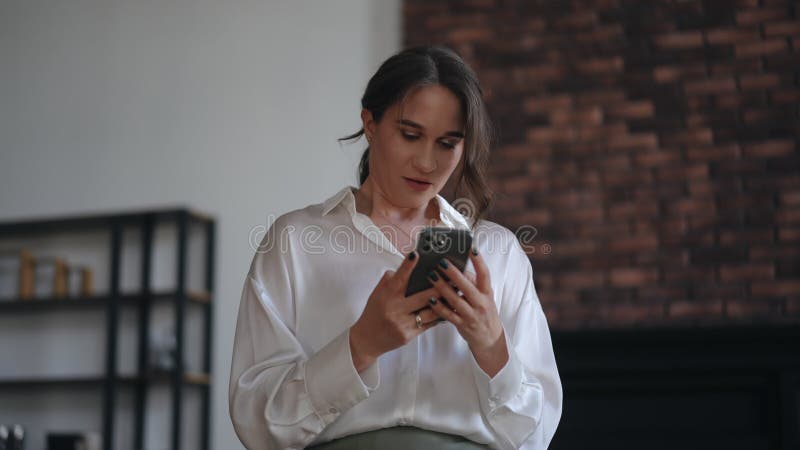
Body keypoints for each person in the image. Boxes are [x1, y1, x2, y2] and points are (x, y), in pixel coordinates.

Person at [229, 45, 562, 450]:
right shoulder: (294, 243)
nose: (427, 162)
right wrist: (360, 345)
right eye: (410, 135)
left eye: (447, 143)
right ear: (370, 123)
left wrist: (492, 346)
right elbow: (257, 423)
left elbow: (538, 432)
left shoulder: (499, 252)